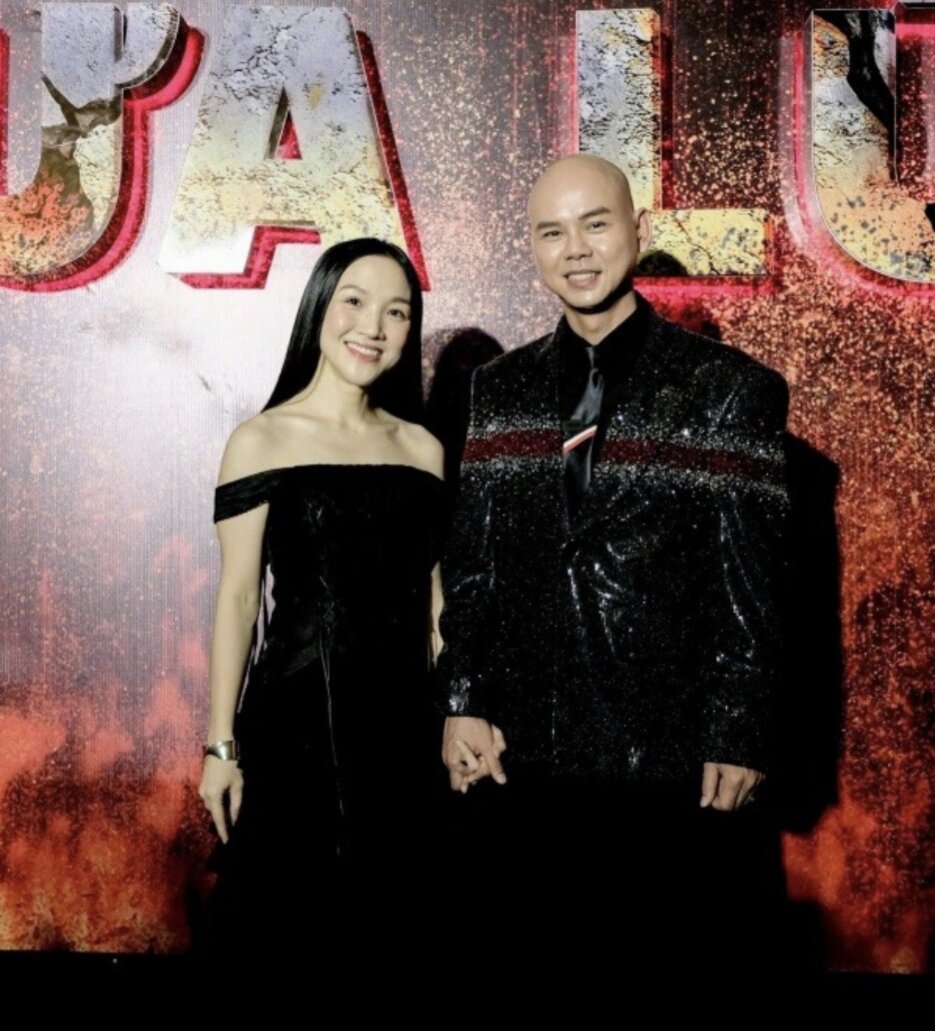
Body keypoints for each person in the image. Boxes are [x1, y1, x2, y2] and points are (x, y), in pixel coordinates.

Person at [436, 155, 791, 970]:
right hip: (522, 748)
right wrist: (462, 696)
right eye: (551, 232)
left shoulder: (726, 389)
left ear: (636, 230)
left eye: (594, 224)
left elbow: (752, 582)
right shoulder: (498, 388)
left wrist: (737, 730)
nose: (575, 249)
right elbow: (474, 564)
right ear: (531, 246)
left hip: (666, 755)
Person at [197, 238, 445, 964]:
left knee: (398, 923)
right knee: (285, 925)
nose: (373, 327)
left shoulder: (422, 448)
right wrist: (221, 745)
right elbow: (238, 599)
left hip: (404, 729)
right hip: (294, 722)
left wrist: (456, 714)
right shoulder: (261, 439)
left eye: (396, 312)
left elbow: (437, 606)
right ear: (318, 308)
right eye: (355, 302)